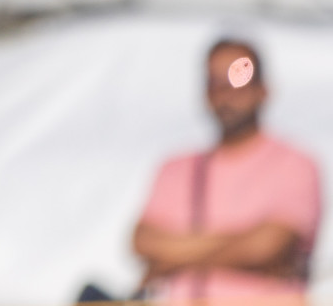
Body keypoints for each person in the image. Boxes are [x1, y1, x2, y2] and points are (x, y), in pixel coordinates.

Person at [133, 38, 322, 302]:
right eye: (215, 83)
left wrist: (169, 261)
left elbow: (268, 246)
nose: (226, 93)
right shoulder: (175, 168)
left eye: (238, 79)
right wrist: (239, 245)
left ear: (263, 89)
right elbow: (143, 242)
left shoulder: (296, 163)